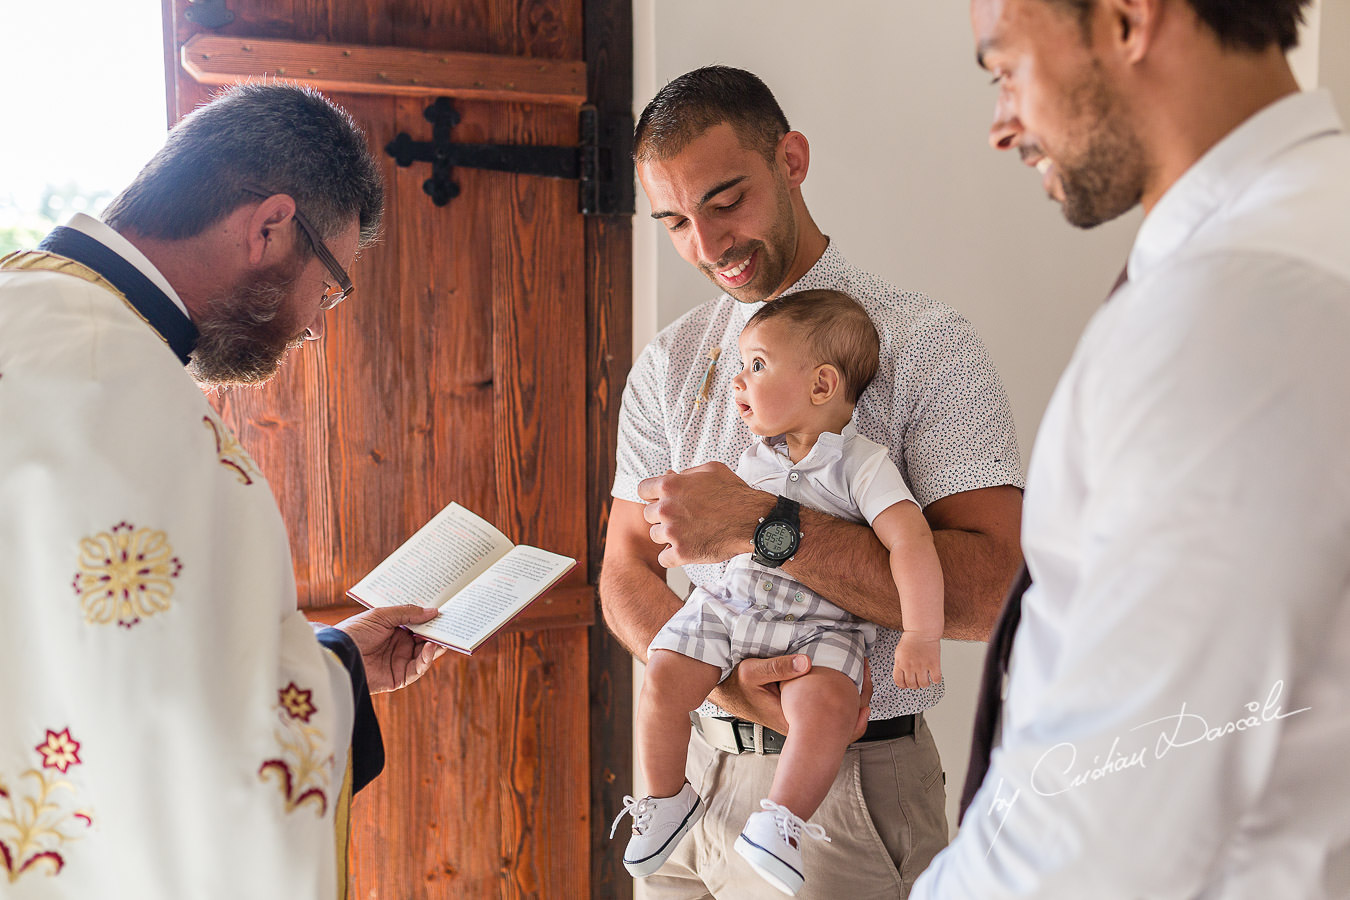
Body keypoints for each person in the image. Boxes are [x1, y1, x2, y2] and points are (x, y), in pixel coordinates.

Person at [911, 0, 1350, 895]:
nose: (1002, 126)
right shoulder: (1302, 232)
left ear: (1125, 19)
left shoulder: (1235, 308)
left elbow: (1100, 839)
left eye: (1006, 70)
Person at [0, 83, 446, 898]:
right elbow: (198, 753)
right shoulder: (133, 403)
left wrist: (342, 657)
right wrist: (337, 679)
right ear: (271, 226)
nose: (315, 324)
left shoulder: (25, 308)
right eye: (331, 286)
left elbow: (95, 673)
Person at [601, 65, 1025, 899]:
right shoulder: (671, 361)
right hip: (686, 786)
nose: (709, 245)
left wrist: (766, 524)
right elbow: (623, 569)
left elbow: (996, 591)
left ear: (791, 160)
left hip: (846, 796)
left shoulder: (924, 346)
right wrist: (724, 682)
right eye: (676, 223)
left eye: (726, 202)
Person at [613, 290, 945, 896]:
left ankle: (783, 822)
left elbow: (912, 544)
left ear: (821, 386)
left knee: (824, 712)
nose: (739, 380)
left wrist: (922, 634)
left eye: (757, 366)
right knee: (662, 673)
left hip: (821, 628)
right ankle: (663, 799)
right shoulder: (749, 459)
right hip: (734, 610)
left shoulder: (861, 466)